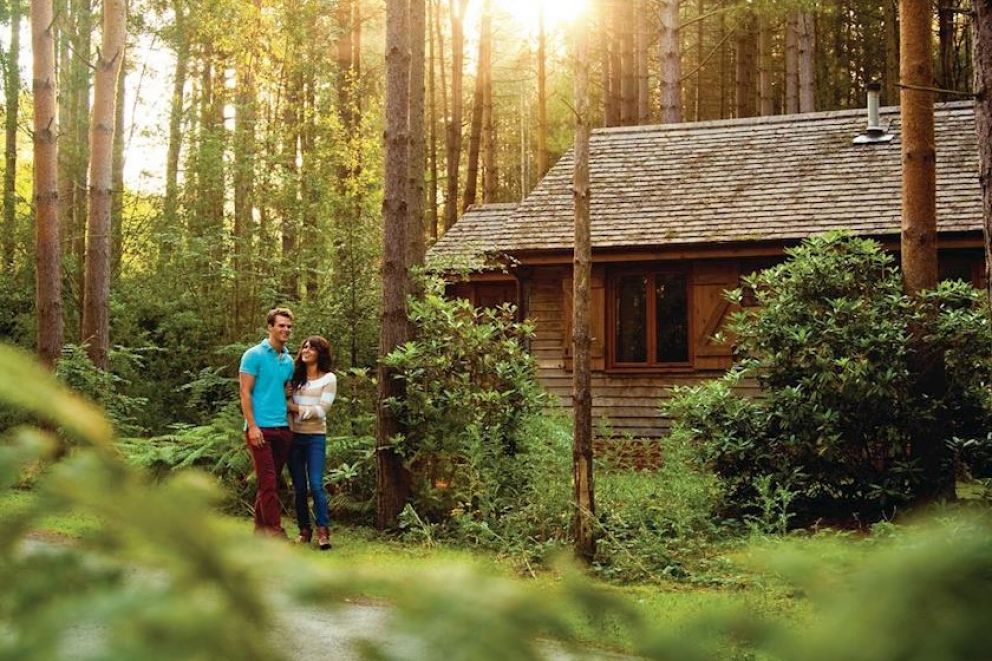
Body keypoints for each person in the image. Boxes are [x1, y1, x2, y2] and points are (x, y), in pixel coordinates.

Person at [239, 307, 295, 537]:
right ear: (270, 327)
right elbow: (244, 392)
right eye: (281, 325)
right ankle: (275, 532)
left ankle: (260, 531)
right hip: (260, 429)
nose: (286, 330)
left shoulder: (288, 360)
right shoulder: (253, 355)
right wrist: (252, 426)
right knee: (269, 482)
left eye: (289, 326)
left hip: (282, 428)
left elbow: (286, 391)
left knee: (268, 483)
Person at [286, 336, 337, 550]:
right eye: (304, 347)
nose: (306, 350)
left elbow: (321, 410)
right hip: (293, 437)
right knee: (299, 487)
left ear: (320, 353)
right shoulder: (294, 377)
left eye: (311, 348)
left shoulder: (328, 379)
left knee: (316, 484)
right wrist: (286, 398)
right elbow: (282, 399)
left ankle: (323, 532)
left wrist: (294, 408)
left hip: (315, 437)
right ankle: (304, 530)